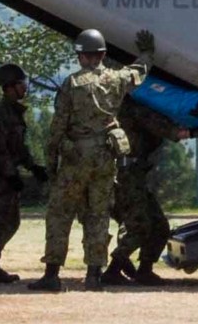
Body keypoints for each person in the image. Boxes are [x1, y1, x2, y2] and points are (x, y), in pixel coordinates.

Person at [29, 27, 154, 292]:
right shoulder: (116, 79)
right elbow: (138, 72)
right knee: (99, 215)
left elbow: (57, 127)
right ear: (103, 54)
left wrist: (51, 163)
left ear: (80, 57)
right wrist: (146, 53)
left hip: (75, 159)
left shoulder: (72, 84)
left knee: (60, 213)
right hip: (105, 158)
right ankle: (94, 276)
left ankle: (52, 275)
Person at [105, 96, 186, 285]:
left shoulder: (136, 103)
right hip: (125, 177)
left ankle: (144, 270)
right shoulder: (132, 106)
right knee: (140, 226)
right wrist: (188, 131)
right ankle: (114, 268)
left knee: (159, 226)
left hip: (135, 176)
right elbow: (161, 127)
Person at [0, 64, 42, 282]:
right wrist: (9, 174)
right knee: (0, 222)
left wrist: (32, 166)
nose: (24, 88)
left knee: (10, 222)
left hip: (7, 175)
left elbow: (18, 147)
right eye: (20, 84)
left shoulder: (13, 112)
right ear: (9, 87)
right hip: (0, 178)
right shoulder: (1, 114)